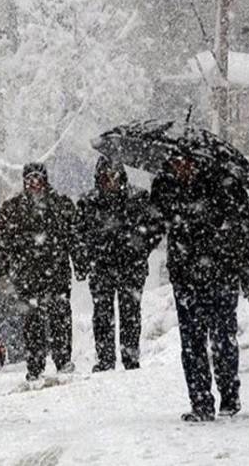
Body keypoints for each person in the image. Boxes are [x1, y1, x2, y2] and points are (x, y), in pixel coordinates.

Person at [151, 154, 249, 422]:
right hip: (186, 277)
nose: (181, 166)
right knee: (192, 343)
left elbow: (248, 226)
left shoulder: (223, 183)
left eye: (185, 161)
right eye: (176, 162)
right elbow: (152, 226)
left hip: (221, 274)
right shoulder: (165, 187)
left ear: (197, 161)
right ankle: (200, 402)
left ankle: (229, 396)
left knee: (223, 338)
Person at [0, 162, 83, 381]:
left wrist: (80, 263)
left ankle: (63, 360)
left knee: (60, 316)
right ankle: (35, 365)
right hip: (27, 275)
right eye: (29, 179)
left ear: (45, 179)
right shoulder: (12, 209)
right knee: (32, 321)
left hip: (56, 272)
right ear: (24, 181)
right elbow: (1, 242)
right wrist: (0, 269)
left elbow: (75, 238)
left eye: (37, 178)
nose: (34, 183)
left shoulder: (61, 205)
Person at [77, 157, 162, 372]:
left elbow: (156, 228)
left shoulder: (139, 198)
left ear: (121, 176)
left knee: (130, 313)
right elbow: (78, 234)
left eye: (113, 175)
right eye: (105, 176)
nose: (110, 181)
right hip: (101, 267)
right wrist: (88, 255)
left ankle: (130, 357)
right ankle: (105, 359)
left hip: (131, 266)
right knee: (102, 314)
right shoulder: (88, 202)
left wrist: (141, 249)